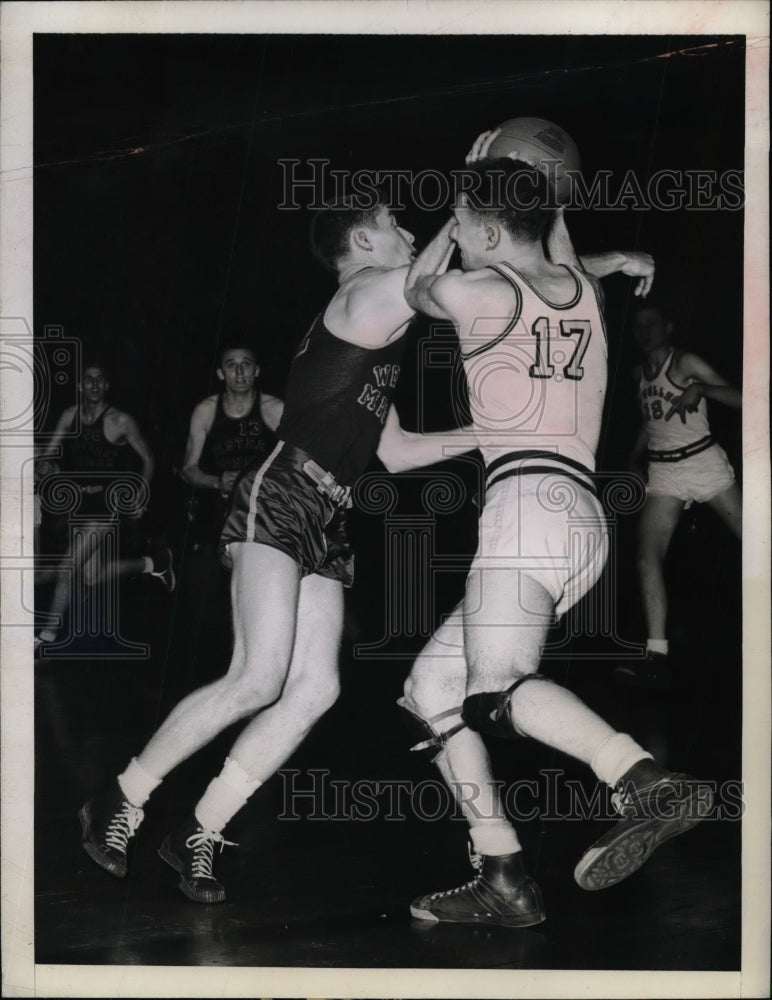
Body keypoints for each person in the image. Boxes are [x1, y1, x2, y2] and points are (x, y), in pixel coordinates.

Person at [78, 194, 482, 903]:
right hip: (283, 493)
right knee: (256, 677)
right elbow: (436, 281)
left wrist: (492, 433)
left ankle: (198, 830)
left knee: (315, 688)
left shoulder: (378, 334)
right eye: (396, 223)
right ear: (362, 239)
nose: (409, 231)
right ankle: (121, 798)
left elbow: (399, 452)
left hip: (327, 514)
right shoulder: (363, 292)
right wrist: (471, 201)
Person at [399, 147, 712, 927]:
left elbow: (414, 287)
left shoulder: (473, 291)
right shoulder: (581, 291)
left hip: (522, 513)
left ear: (492, 236)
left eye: (470, 227)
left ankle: (641, 779)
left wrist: (457, 209)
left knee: (494, 691)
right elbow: (562, 250)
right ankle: (502, 874)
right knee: (430, 694)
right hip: (580, 520)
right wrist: (528, 192)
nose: (461, 238)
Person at [613, 301, 741, 690]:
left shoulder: (686, 363)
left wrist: (702, 389)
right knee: (646, 558)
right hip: (664, 472)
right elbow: (651, 420)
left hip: (703, 463)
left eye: (651, 323)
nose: (643, 331)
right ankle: (656, 657)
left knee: (756, 545)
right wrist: (634, 457)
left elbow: (744, 397)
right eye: (637, 326)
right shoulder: (639, 373)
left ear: (668, 327)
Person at [34, 361, 174, 654]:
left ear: (106, 386)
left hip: (105, 504)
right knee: (91, 576)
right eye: (89, 379)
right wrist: (45, 467)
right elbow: (48, 456)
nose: (95, 385)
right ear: (80, 386)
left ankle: (46, 634)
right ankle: (155, 563)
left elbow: (148, 457)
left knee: (68, 566)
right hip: (79, 502)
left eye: (100, 380)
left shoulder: (120, 421)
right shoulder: (70, 416)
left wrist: (141, 493)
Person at [180, 343, 283, 549]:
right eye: (231, 365)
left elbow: (299, 462)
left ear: (256, 371)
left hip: (266, 506)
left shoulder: (276, 409)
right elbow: (187, 470)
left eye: (246, 364)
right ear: (220, 373)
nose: (239, 372)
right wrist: (218, 482)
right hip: (221, 510)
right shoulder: (206, 411)